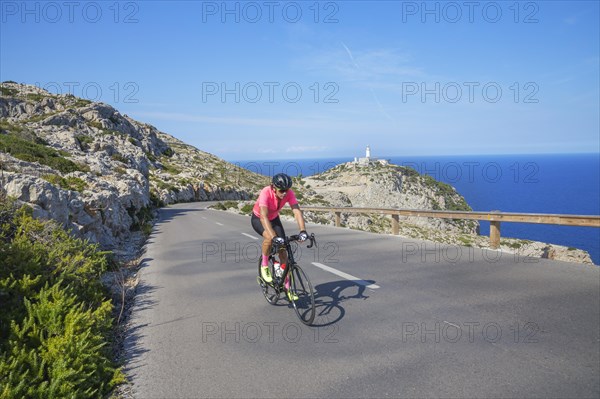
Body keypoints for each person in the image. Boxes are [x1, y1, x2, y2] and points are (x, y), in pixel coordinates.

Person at [251, 173, 309, 300]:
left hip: (274, 219)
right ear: (273, 187)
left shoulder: (289, 193)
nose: (284, 193)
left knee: (284, 252)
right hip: (259, 218)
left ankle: (288, 288)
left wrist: (303, 231)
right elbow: (264, 217)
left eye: (286, 190)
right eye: (281, 190)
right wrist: (273, 237)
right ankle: (265, 265)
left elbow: (297, 211)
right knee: (269, 238)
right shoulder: (266, 192)